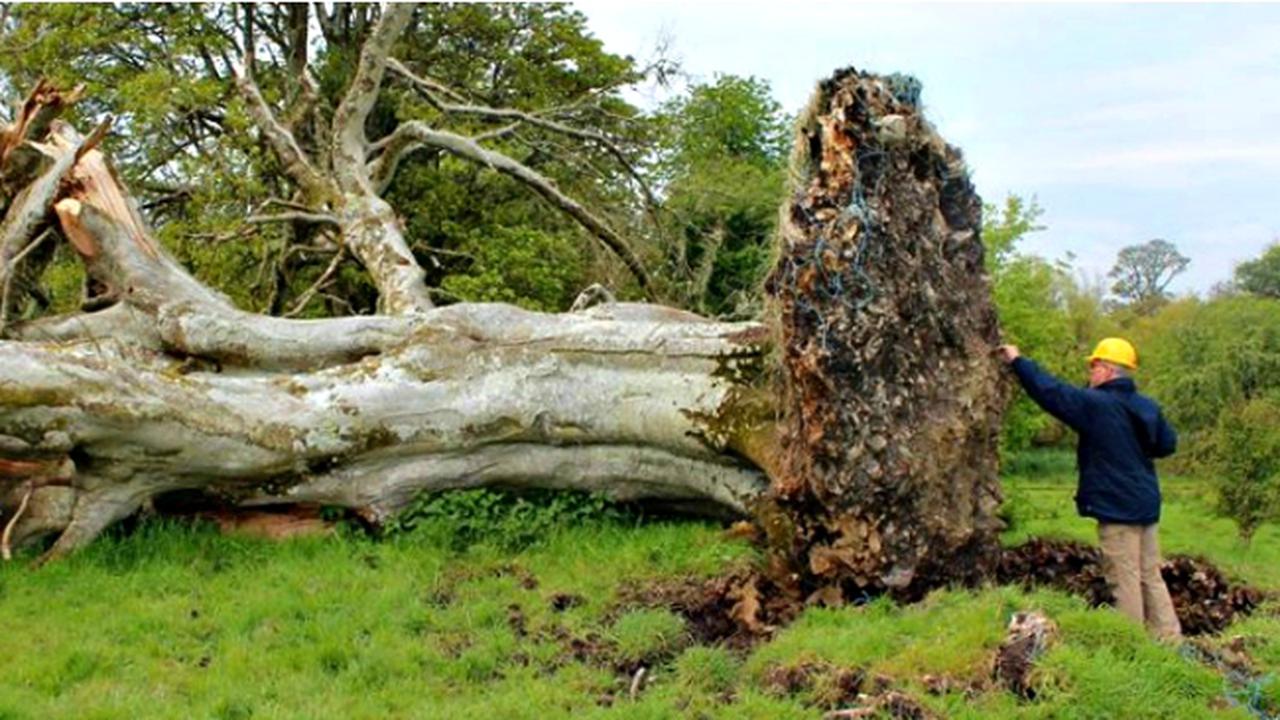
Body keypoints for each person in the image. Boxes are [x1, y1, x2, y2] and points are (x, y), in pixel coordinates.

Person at [997, 337, 1182, 640]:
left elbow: (1052, 392)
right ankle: (1170, 640)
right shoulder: (1146, 406)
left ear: (1107, 370)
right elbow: (1167, 444)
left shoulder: (1097, 404)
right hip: (1146, 502)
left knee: (1123, 577)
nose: (1090, 373)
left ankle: (1131, 644)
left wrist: (1018, 362)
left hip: (1118, 507)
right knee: (1150, 575)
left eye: (1093, 367)